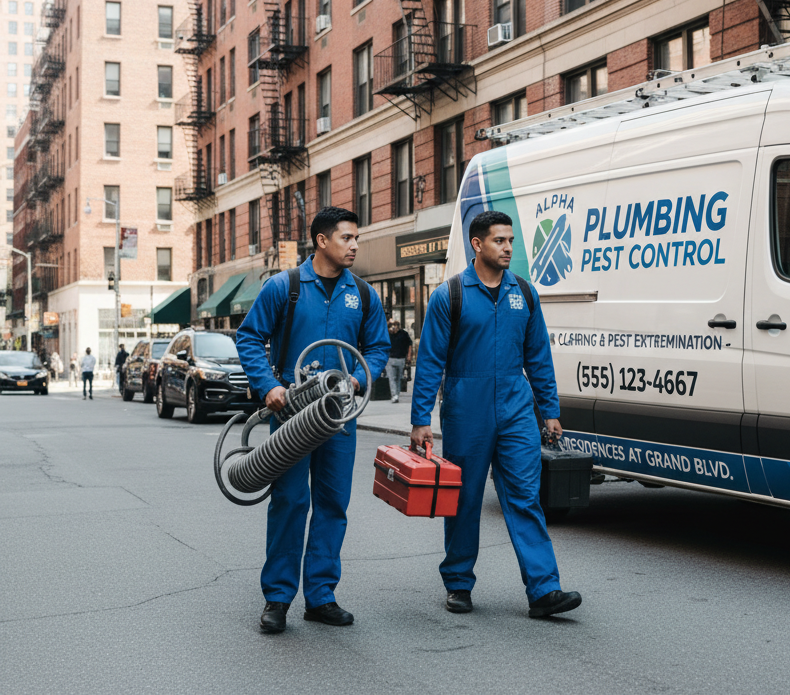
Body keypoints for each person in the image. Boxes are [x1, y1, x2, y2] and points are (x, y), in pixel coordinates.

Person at [411, 210, 582, 619]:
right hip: (465, 404)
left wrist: (549, 410)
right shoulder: (448, 295)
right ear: (477, 244)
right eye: (499, 241)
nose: (508, 248)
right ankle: (458, 583)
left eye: (510, 241)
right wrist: (421, 420)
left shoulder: (523, 291)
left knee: (525, 497)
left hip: (516, 405)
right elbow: (431, 361)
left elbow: (538, 355)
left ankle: (544, 590)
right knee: (465, 499)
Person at [236, 207, 390, 635]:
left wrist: (359, 380)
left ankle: (321, 596)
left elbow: (377, 347)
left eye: (356, 237)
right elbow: (250, 336)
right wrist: (268, 385)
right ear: (321, 241)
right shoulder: (284, 287)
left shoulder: (362, 292)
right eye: (346, 238)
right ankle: (278, 598)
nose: (355, 245)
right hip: (291, 413)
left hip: (340, 414)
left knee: (332, 503)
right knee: (289, 500)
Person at [386, 318, 412, 403]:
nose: (393, 327)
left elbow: (409, 344)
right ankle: (394, 394)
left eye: (395, 325)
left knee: (399, 378)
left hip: (401, 358)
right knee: (392, 378)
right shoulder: (387, 334)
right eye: (391, 325)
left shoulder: (404, 334)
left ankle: (397, 393)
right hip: (390, 358)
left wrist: (409, 356)